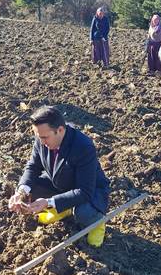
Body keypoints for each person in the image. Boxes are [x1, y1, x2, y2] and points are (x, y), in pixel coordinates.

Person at [8, 106, 111, 247]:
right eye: (39, 137)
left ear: (60, 130)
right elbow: (33, 166)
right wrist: (21, 192)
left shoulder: (83, 147)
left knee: (83, 213)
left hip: (89, 191)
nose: (42, 142)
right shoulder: (42, 138)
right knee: (31, 190)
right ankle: (65, 208)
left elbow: (84, 191)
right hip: (60, 182)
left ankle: (97, 223)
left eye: (45, 137)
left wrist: (48, 202)